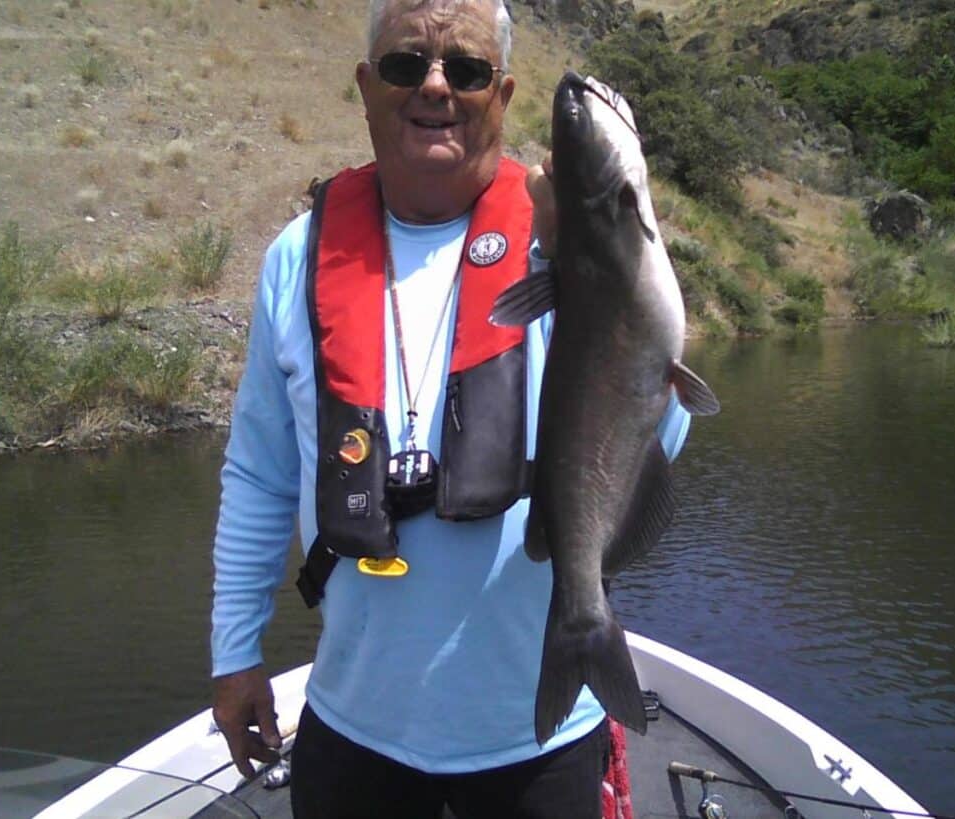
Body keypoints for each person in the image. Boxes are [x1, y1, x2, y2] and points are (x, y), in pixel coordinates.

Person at [210, 1, 691, 817]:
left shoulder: (560, 240)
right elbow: (259, 472)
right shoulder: (297, 257)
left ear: (500, 96)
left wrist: (601, 267)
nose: (435, 86)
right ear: (366, 86)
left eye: (464, 70)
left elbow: (661, 430)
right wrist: (234, 651)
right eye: (406, 65)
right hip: (350, 732)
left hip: (536, 744)